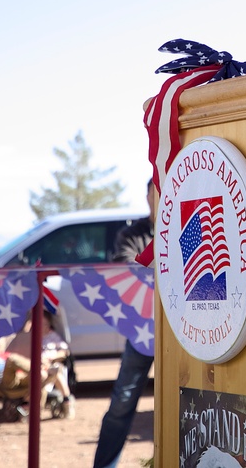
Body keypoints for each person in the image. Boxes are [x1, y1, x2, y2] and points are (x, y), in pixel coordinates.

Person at [93, 180, 157, 468]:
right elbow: (125, 269)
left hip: (184, 333)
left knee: (188, 397)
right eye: (157, 190)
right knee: (123, 401)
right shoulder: (133, 234)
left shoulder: (186, 223)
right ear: (147, 196)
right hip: (143, 330)